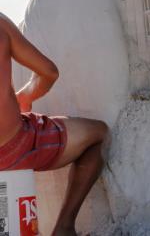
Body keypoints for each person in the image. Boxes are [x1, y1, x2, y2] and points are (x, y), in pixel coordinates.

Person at [0, 13, 108, 236]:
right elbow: (49, 72)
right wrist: (26, 96)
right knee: (98, 133)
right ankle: (64, 227)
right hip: (17, 144)